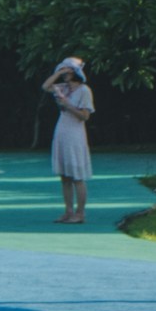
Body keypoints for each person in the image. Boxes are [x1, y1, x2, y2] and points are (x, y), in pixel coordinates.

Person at [45, 57, 95, 224]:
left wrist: (68, 105)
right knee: (65, 176)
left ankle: (80, 213)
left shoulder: (84, 90)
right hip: (62, 131)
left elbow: (85, 116)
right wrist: (58, 73)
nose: (65, 74)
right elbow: (45, 87)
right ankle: (68, 211)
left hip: (75, 133)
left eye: (68, 71)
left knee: (77, 176)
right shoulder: (62, 88)